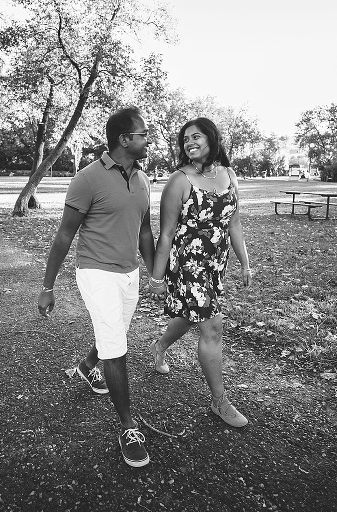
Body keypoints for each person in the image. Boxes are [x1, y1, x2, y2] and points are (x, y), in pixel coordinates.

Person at [37, 107, 156, 467]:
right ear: (124, 139)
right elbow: (64, 235)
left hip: (128, 272)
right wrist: (48, 286)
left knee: (114, 333)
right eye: (143, 133)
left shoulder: (143, 179)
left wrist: (155, 274)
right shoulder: (87, 178)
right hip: (95, 271)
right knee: (116, 346)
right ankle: (128, 426)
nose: (148, 139)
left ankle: (88, 365)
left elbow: (145, 231)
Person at [148, 117, 252, 428]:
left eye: (196, 136)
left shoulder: (228, 174)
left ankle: (160, 346)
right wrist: (156, 278)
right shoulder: (179, 180)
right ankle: (219, 401)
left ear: (211, 138)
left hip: (216, 264)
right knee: (212, 327)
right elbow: (165, 234)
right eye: (185, 139)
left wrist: (245, 262)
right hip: (188, 263)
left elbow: (233, 223)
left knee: (189, 315)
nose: (189, 142)